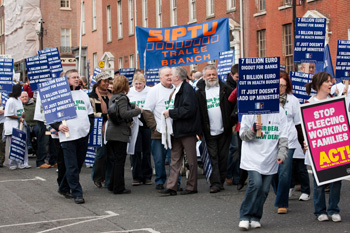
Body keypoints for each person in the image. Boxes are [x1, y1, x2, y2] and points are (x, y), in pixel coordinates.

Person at [238, 106, 288, 230]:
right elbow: (242, 135)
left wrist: (282, 153)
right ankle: (245, 216)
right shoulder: (249, 111)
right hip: (252, 156)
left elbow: (283, 135)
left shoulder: (280, 111)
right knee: (256, 184)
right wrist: (253, 130)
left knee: (265, 190)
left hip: (269, 157)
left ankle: (255, 216)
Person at [50, 69, 94, 204]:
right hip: (68, 136)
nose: (77, 79)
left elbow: (90, 114)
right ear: (67, 80)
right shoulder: (60, 96)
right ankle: (77, 193)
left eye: (77, 77)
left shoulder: (83, 94)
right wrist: (58, 126)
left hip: (82, 134)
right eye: (73, 77)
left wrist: (88, 128)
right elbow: (51, 116)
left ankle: (63, 187)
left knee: (78, 164)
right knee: (72, 166)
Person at [305, 72, 342, 222]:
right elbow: (306, 128)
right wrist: (306, 142)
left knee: (336, 181)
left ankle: (334, 209)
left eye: (331, 82)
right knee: (319, 181)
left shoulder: (336, 101)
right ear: (319, 84)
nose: (330, 84)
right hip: (317, 149)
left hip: (334, 147)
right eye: (327, 82)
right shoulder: (308, 104)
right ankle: (319, 210)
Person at [271, 71, 309, 215]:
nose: (280, 88)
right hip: (272, 139)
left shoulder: (293, 100)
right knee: (273, 172)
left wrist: (302, 142)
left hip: (289, 140)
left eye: (283, 85)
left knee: (284, 172)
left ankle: (282, 203)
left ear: (287, 86)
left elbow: (298, 123)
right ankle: (279, 191)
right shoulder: (269, 99)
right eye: (278, 85)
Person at [161, 66, 201, 195]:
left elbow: (189, 110)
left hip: (187, 130)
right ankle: (172, 186)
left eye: (171, 74)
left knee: (191, 160)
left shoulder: (187, 89)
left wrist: (171, 113)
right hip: (176, 130)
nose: (169, 76)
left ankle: (191, 186)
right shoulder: (177, 89)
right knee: (175, 159)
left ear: (177, 77)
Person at [196, 64, 234, 193]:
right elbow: (197, 113)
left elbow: (234, 107)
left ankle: (221, 180)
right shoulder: (199, 92)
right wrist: (198, 130)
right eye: (209, 75)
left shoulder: (226, 89)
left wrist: (232, 122)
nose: (212, 77)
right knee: (213, 157)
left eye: (214, 74)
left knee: (223, 157)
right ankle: (215, 183)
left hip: (225, 129)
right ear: (204, 77)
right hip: (208, 131)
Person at [106, 75, 142, 194]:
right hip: (120, 132)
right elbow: (124, 114)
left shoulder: (113, 97)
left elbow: (116, 109)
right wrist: (138, 111)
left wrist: (131, 105)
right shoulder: (122, 98)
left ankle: (112, 184)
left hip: (111, 131)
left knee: (115, 160)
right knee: (119, 161)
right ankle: (118, 187)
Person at [143, 67, 175, 190]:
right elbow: (147, 110)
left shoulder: (177, 89)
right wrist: (154, 127)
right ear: (160, 77)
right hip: (158, 132)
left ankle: (174, 182)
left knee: (174, 159)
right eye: (166, 75)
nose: (169, 77)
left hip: (173, 131)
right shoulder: (154, 91)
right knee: (159, 159)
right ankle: (160, 180)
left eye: (171, 74)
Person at [127, 73, 153, 186]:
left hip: (146, 124)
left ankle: (147, 176)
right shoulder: (129, 92)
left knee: (146, 151)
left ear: (144, 83)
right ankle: (136, 176)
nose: (138, 86)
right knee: (136, 151)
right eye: (136, 84)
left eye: (140, 84)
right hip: (134, 123)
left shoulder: (150, 91)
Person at [89, 72, 113, 189]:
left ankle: (108, 179)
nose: (107, 83)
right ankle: (97, 177)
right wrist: (104, 116)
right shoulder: (92, 97)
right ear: (98, 82)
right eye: (104, 81)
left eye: (108, 81)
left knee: (111, 155)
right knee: (101, 154)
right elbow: (90, 113)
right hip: (99, 128)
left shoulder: (112, 95)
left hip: (112, 128)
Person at [4, 84, 30, 169]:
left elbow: (20, 111)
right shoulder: (10, 101)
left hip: (21, 125)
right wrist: (18, 117)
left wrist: (22, 115)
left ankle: (23, 163)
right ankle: (13, 163)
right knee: (14, 145)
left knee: (22, 144)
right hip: (12, 125)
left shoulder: (18, 100)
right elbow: (8, 114)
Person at [0, 98, 5, 167]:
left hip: (1, 123)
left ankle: (1, 160)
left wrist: (4, 111)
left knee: (1, 142)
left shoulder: (4, 105)